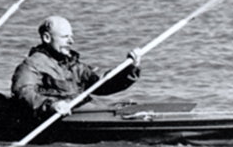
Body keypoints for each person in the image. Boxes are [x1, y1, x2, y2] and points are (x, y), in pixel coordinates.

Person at [11, 15, 141, 122]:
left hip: (85, 111)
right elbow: (24, 93)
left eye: (71, 36)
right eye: (65, 37)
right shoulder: (31, 65)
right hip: (59, 117)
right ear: (47, 38)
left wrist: (130, 69)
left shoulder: (74, 65)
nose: (71, 42)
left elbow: (103, 84)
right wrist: (52, 105)